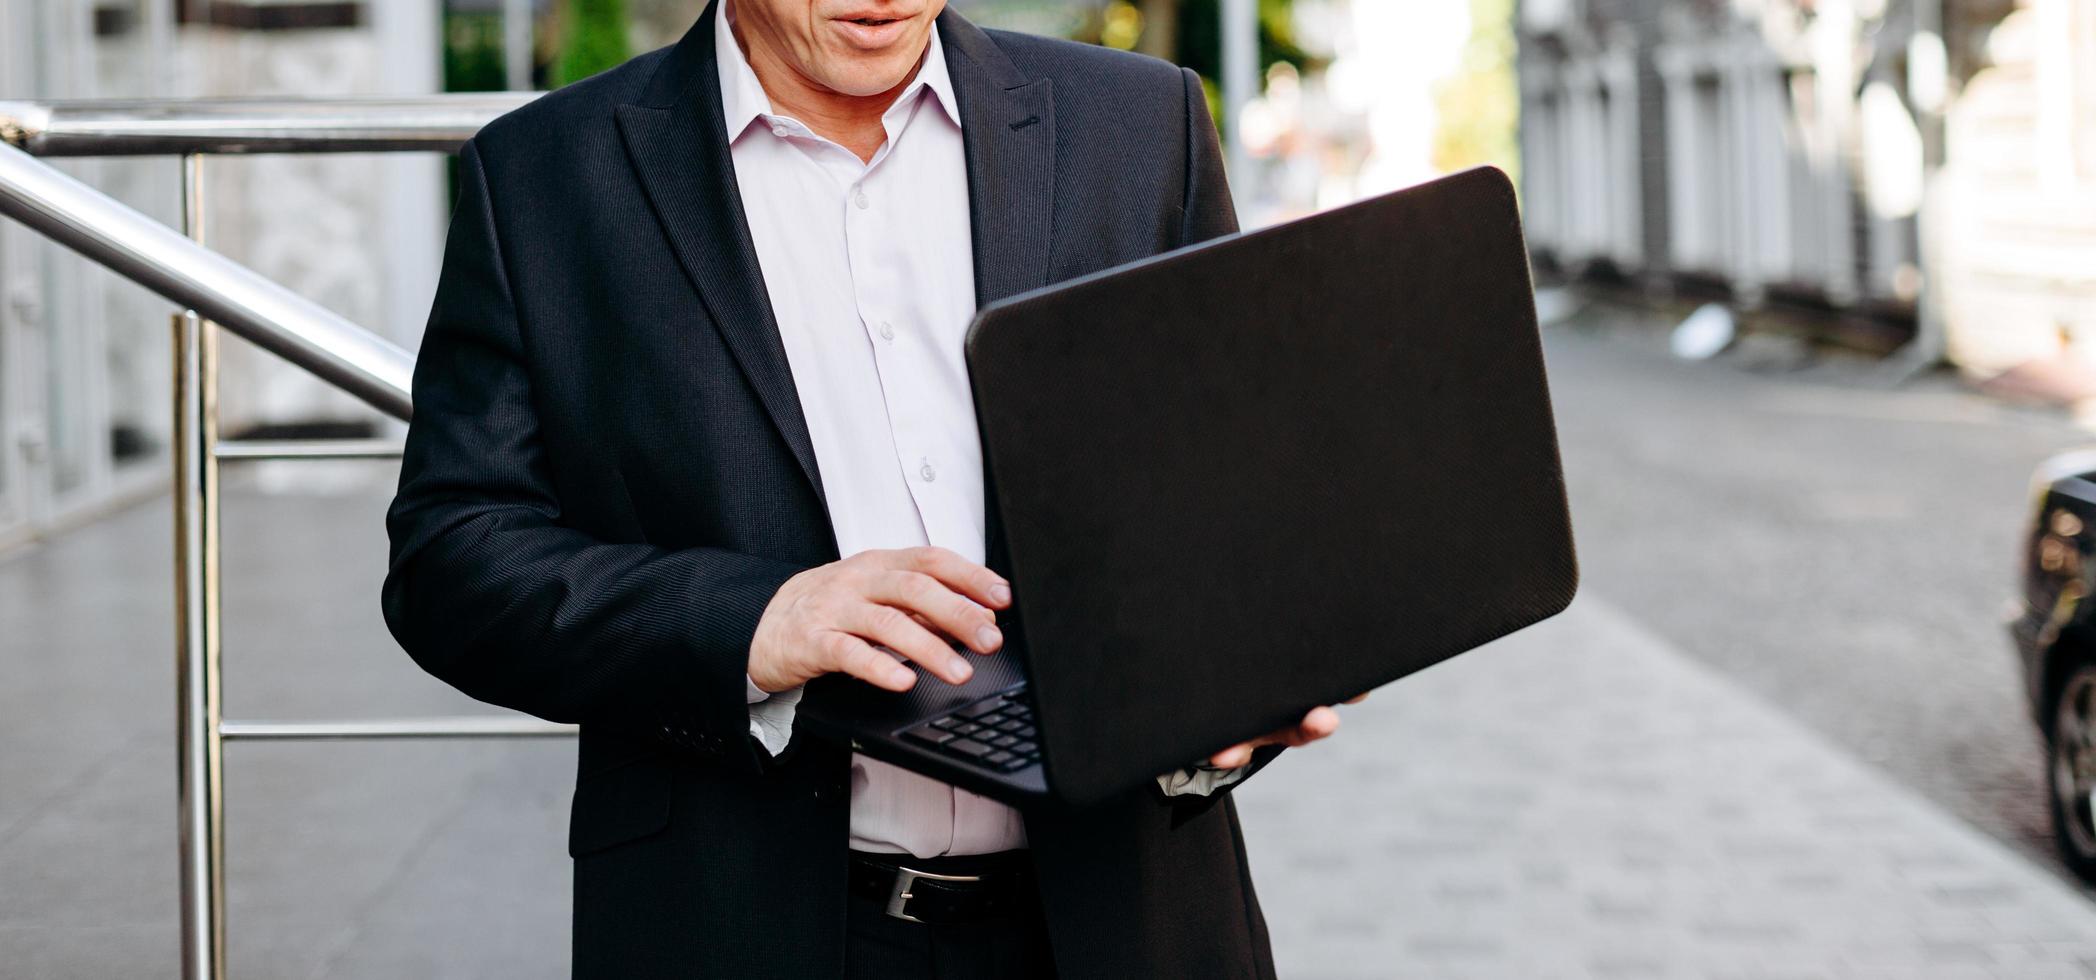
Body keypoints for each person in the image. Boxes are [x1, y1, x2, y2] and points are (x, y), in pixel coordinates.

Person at [382, 0, 1348, 975]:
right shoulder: (545, 176)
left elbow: (1233, 508)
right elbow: (450, 558)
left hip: (1130, 922)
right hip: (739, 921)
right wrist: (751, 622)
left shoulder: (1142, 123)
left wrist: (1235, 688)